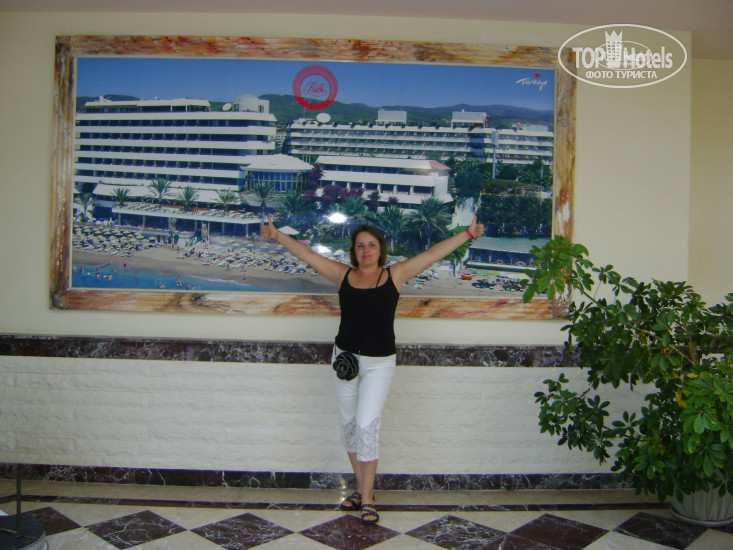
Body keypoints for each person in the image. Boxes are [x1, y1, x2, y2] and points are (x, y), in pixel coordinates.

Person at [261, 214, 485, 524]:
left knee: (366, 425)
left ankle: (367, 498)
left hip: (379, 363)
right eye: (360, 246)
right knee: (349, 427)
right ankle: (361, 489)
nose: (366, 250)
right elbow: (308, 255)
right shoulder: (343, 275)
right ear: (354, 251)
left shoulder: (395, 275)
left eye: (371, 245)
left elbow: (433, 254)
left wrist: (468, 234)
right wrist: (277, 236)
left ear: (380, 249)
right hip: (345, 361)